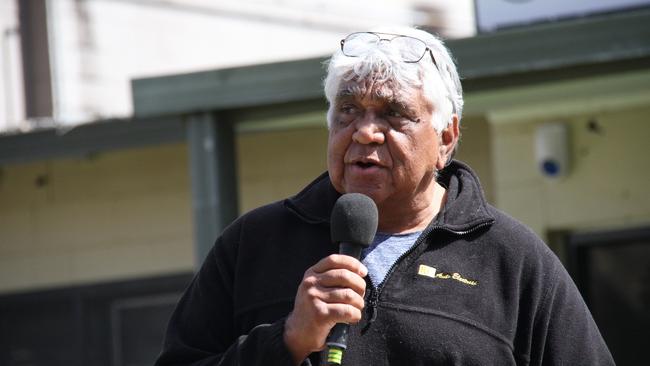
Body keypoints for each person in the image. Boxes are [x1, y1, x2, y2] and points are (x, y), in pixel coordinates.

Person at [155, 27, 614, 365]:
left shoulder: (511, 259)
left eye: (394, 114)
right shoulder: (253, 244)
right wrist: (288, 340)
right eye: (348, 110)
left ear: (446, 138)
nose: (366, 132)